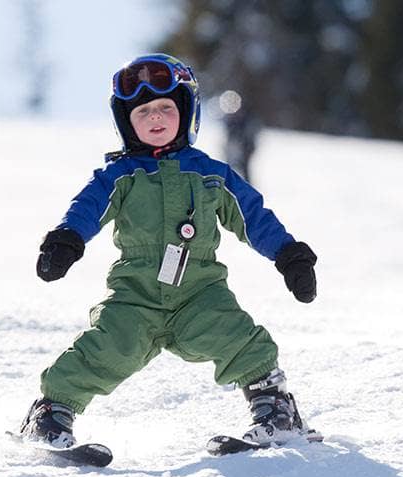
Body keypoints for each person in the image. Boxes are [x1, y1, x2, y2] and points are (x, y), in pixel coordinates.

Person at [19, 54, 319, 449]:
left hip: (199, 292)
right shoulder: (121, 175)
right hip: (135, 296)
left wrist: (288, 254)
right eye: (143, 111)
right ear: (127, 122)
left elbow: (252, 215)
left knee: (239, 338)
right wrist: (66, 240)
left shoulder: (211, 173)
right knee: (105, 348)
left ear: (187, 111)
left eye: (165, 107)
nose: (155, 117)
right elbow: (88, 207)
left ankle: (275, 409)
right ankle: (51, 414)